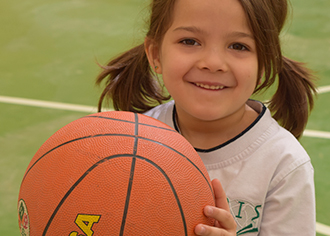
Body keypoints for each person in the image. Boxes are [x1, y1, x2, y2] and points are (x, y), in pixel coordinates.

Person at [96, 0, 317, 234]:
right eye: (189, 41)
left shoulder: (284, 165)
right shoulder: (133, 143)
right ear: (155, 54)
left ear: (264, 63)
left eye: (238, 46)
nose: (212, 63)